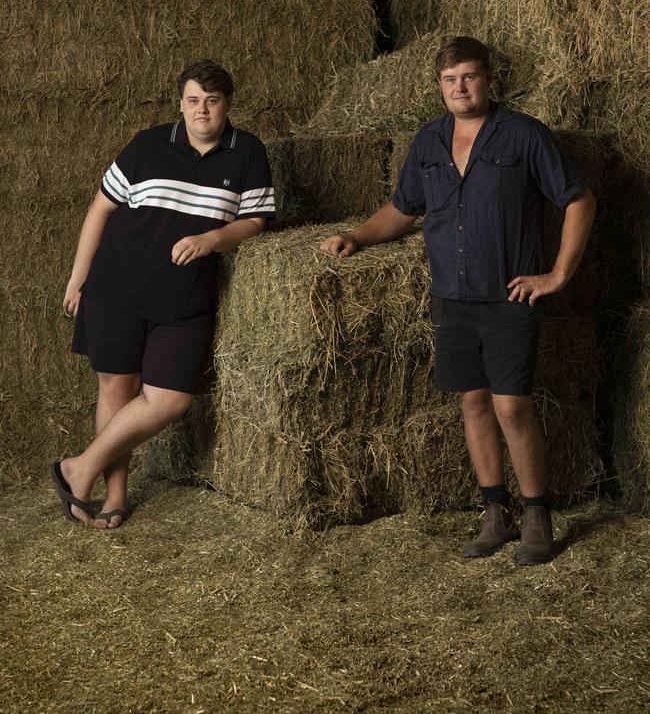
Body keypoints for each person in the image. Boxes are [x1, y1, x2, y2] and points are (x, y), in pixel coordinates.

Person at [320, 37, 595, 565]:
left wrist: (559, 273)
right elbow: (402, 209)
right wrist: (357, 235)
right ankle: (497, 513)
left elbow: (579, 199)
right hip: (451, 295)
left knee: (510, 405)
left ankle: (537, 513)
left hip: (507, 295)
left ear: (489, 80)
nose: (460, 88)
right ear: (439, 86)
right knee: (472, 403)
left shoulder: (524, 135)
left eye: (469, 77)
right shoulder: (429, 142)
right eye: (450, 80)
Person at [52, 59, 275, 529]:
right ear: (181, 104)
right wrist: (78, 278)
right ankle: (113, 497)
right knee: (117, 388)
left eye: (212, 102)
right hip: (116, 287)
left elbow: (255, 220)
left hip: (183, 301)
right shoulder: (149, 144)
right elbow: (100, 210)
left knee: (171, 398)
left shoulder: (248, 152)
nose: (202, 110)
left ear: (227, 105)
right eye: (193, 100)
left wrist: (212, 240)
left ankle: (81, 466)